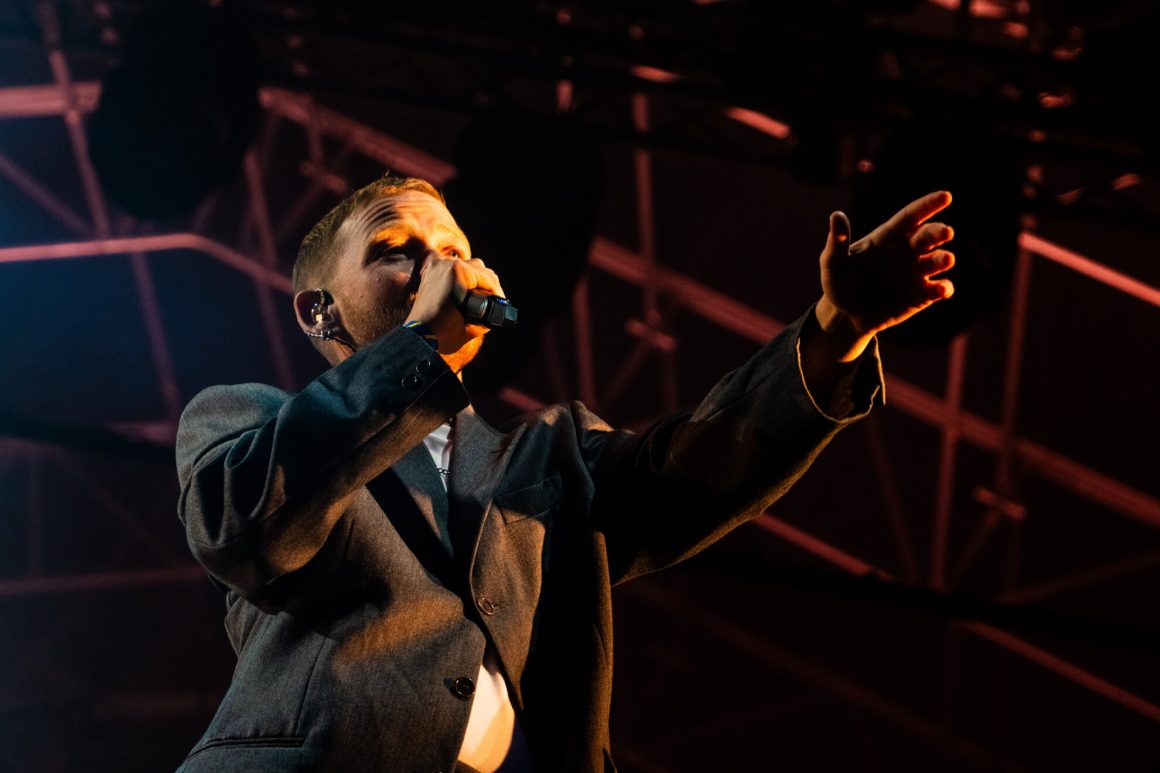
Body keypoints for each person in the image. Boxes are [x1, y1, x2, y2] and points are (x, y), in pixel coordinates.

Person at [175, 175, 956, 772]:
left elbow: (699, 466)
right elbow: (243, 527)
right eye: (397, 249)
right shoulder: (249, 418)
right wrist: (419, 345)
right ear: (318, 310)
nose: (440, 265)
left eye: (454, 250)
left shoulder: (550, 453)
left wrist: (837, 330)